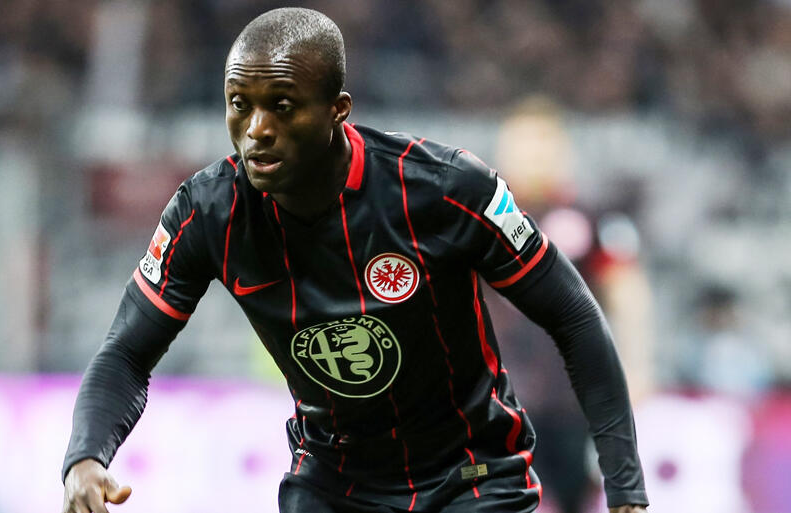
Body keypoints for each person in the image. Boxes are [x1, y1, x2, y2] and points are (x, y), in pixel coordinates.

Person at [61, 8, 648, 513]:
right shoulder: (207, 214)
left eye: (282, 106)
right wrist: (86, 456)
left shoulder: (442, 189)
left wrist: (625, 488)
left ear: (337, 109)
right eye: (240, 104)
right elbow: (127, 351)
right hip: (333, 481)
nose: (256, 130)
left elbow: (573, 315)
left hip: (469, 475)